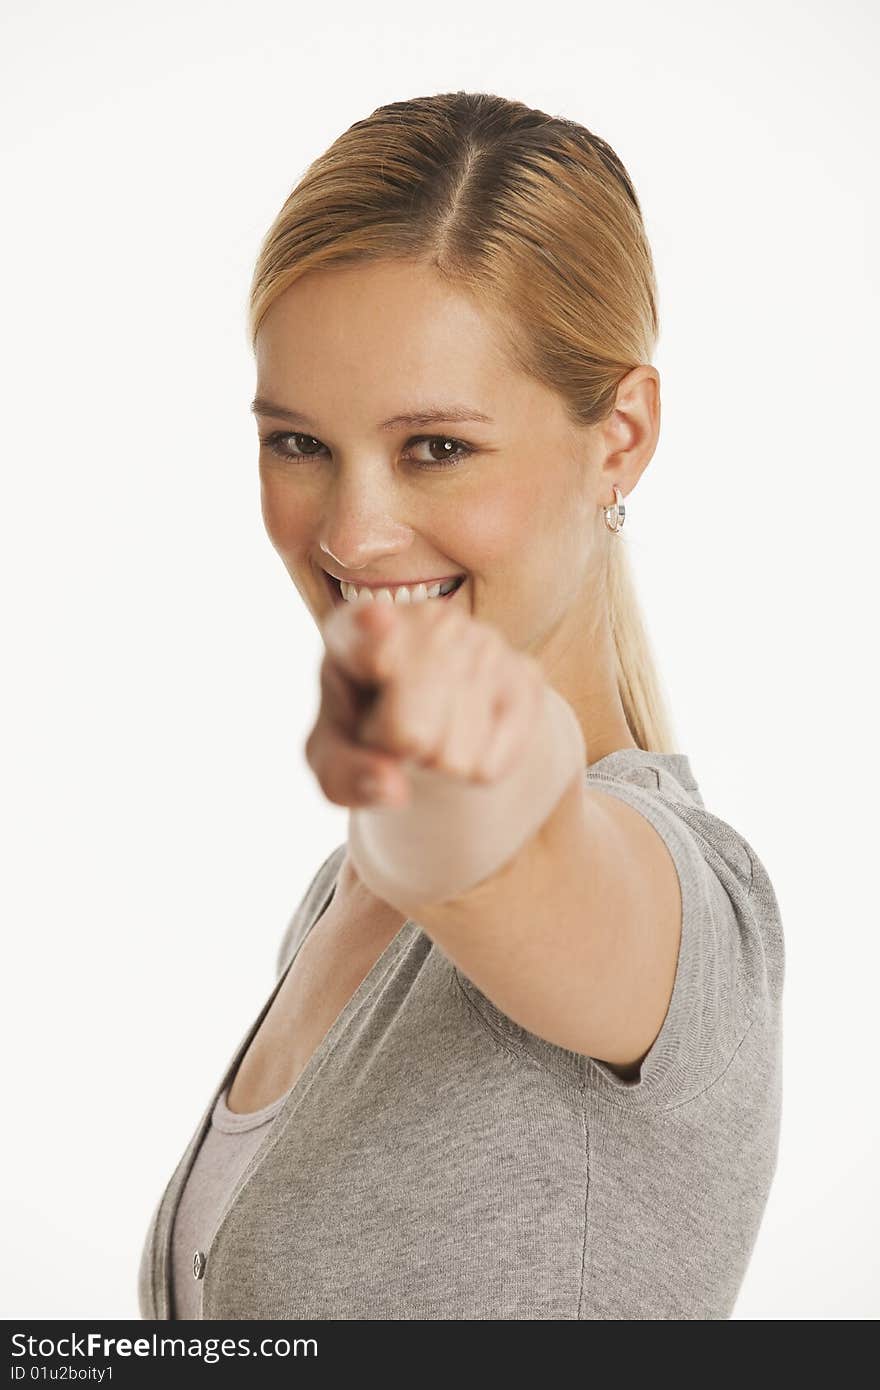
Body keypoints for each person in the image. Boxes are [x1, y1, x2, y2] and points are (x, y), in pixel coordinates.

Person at [137, 91, 785, 1321]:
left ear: (621, 435)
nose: (348, 531)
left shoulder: (681, 905)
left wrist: (433, 763)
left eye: (434, 445)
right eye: (297, 443)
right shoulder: (343, 898)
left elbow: (503, 839)